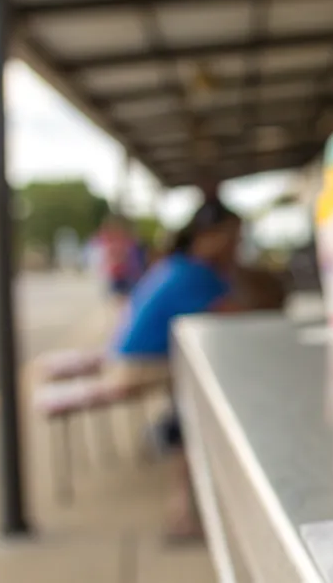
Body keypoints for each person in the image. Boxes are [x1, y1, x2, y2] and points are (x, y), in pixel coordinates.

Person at [106, 199, 244, 540]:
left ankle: (176, 441)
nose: (236, 247)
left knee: (198, 401)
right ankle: (183, 508)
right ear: (208, 236)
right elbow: (235, 315)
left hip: (133, 359)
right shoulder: (195, 272)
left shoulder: (177, 265)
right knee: (199, 411)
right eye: (231, 238)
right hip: (141, 365)